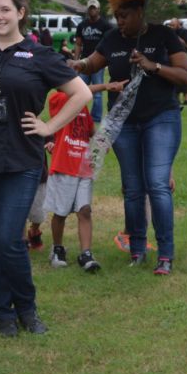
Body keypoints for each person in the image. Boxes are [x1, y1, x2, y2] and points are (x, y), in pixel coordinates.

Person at [0, 0, 90, 337]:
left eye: (5, 9)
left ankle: (27, 309)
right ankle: (2, 313)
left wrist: (49, 126)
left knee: (9, 238)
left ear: (20, 13)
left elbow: (82, 93)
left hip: (21, 159)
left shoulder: (40, 56)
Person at [71, 0, 187, 275]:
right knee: (133, 189)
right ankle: (137, 249)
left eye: (124, 16)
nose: (119, 21)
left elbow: (184, 76)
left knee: (158, 185)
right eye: (117, 16)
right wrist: (78, 64)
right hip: (124, 123)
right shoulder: (113, 38)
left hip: (161, 117)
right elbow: (92, 63)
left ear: (140, 12)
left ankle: (165, 254)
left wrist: (154, 66)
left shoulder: (163, 35)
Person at [44, 79, 124, 271]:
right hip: (65, 165)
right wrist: (105, 86)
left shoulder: (83, 108)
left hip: (84, 167)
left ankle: (86, 254)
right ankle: (57, 248)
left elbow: (90, 130)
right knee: (61, 213)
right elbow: (83, 91)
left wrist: (101, 142)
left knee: (85, 210)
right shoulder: (60, 100)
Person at [74, 0, 113, 121]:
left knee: (97, 93)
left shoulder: (105, 25)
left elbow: (110, 44)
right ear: (87, 9)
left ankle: (95, 118)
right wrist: (76, 61)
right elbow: (78, 44)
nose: (92, 10)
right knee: (79, 90)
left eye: (94, 8)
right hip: (84, 62)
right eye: (90, 8)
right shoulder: (82, 25)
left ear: (98, 9)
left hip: (99, 62)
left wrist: (108, 60)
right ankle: (77, 115)